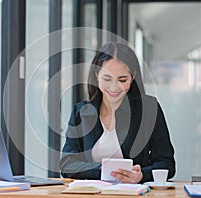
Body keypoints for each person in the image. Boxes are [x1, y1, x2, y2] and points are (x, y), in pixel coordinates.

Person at [59, 42, 175, 183]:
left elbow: (166, 164)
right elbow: (67, 165)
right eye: (107, 79)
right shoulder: (81, 111)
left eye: (122, 80)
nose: (114, 88)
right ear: (96, 74)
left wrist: (142, 175)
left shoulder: (149, 109)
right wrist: (102, 169)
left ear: (132, 77)